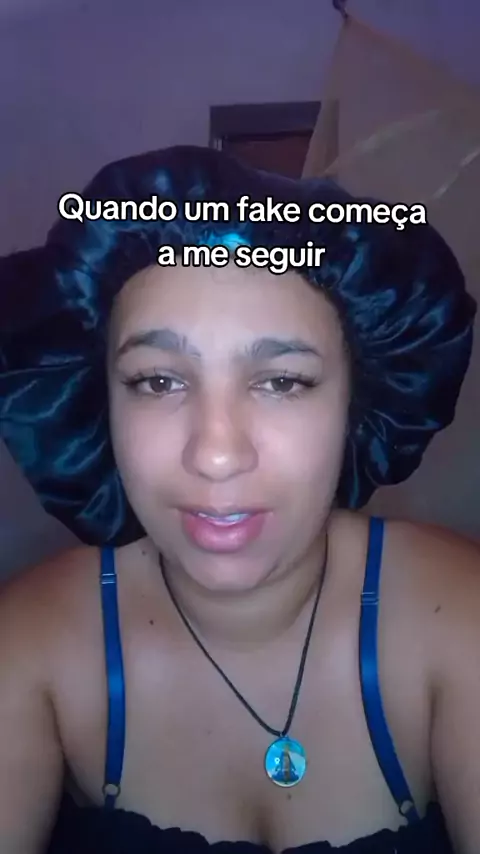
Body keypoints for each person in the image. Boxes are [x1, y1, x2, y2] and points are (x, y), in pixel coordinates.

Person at [0, 144, 478, 854]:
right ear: (99, 401)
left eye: (282, 381)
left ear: (358, 403)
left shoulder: (461, 617)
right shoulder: (28, 644)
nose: (216, 453)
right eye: (158, 381)